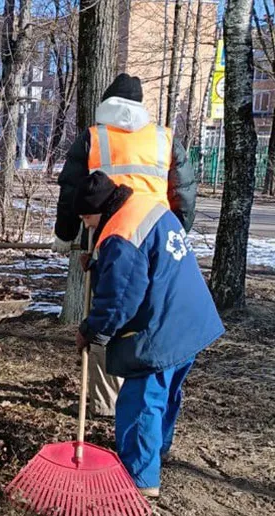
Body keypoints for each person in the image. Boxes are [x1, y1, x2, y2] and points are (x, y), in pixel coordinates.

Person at [54, 73, 198, 418]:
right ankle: (139, 389)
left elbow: (71, 190)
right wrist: (176, 233)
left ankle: (106, 402)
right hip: (157, 238)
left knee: (106, 309)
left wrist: (65, 232)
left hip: (109, 235)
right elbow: (184, 191)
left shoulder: (94, 137)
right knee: (145, 317)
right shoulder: (164, 138)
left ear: (105, 105)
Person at [73, 171, 224, 498]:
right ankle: (157, 452)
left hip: (163, 331)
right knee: (164, 395)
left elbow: (119, 299)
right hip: (191, 320)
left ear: (97, 210)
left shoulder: (119, 233)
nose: (86, 226)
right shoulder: (144, 206)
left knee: (140, 404)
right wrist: (100, 265)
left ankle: (139, 480)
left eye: (86, 218)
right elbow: (144, 264)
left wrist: (91, 331)